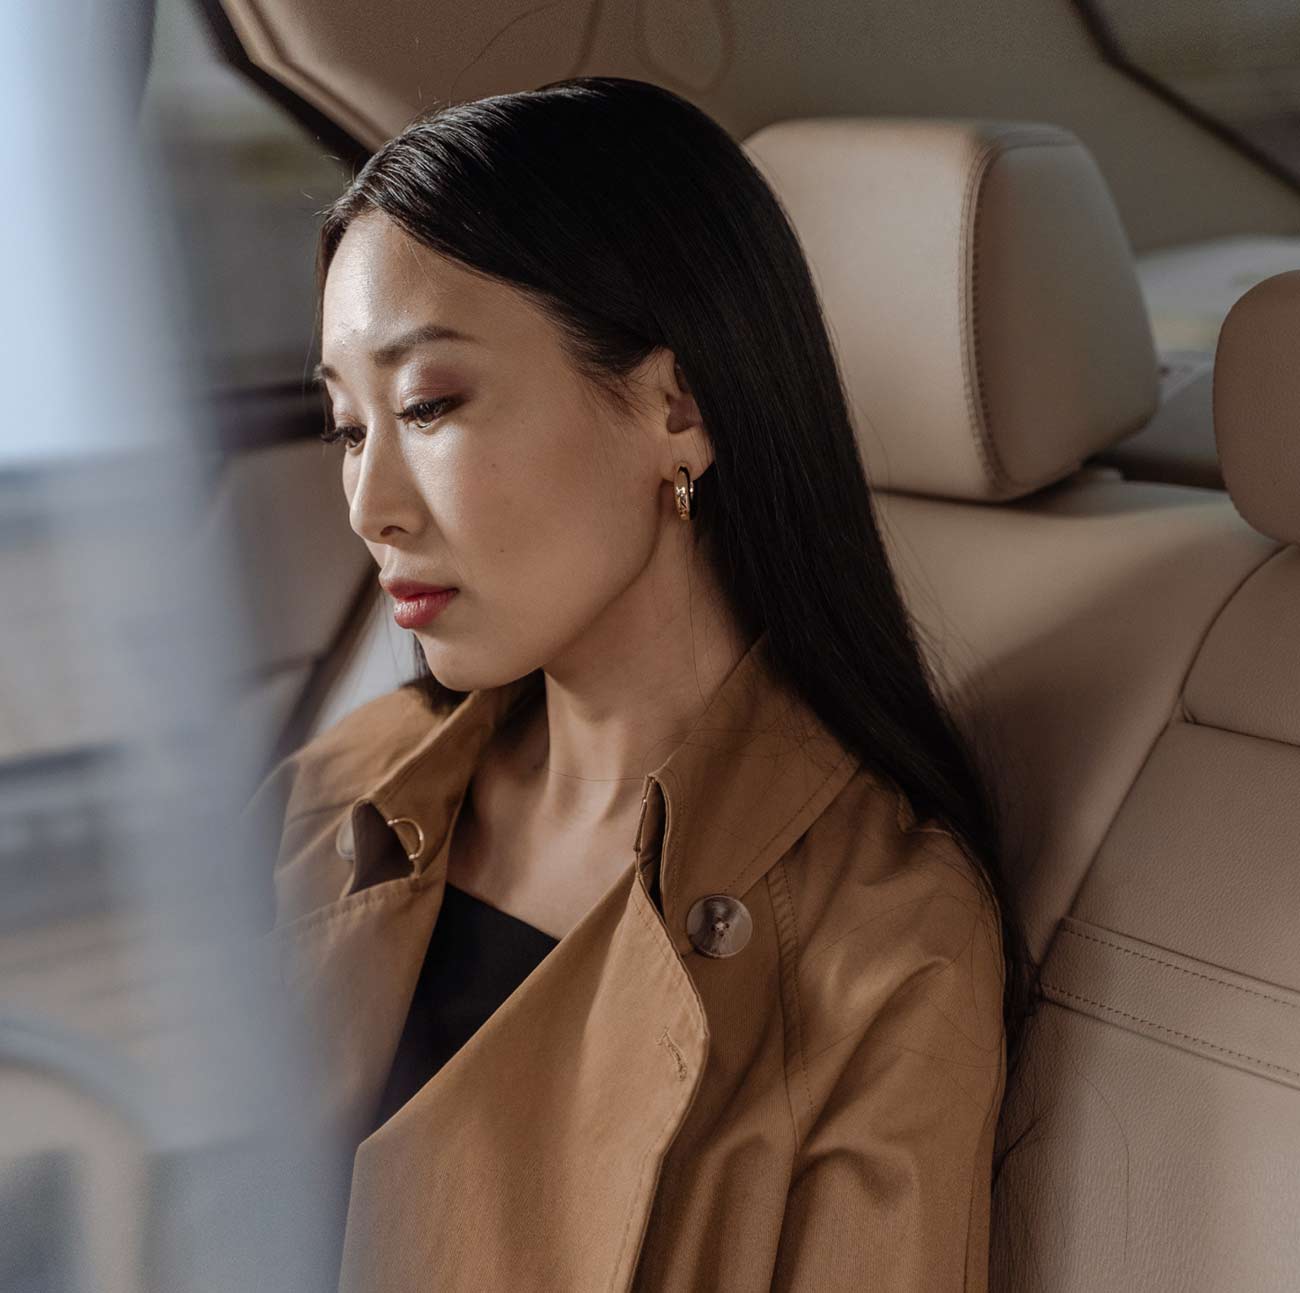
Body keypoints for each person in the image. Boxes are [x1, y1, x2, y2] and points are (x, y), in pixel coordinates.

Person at [241, 75, 1035, 1292]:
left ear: (677, 405)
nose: (370, 506)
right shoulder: (346, 786)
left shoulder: (883, 939)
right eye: (351, 428)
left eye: (429, 406)